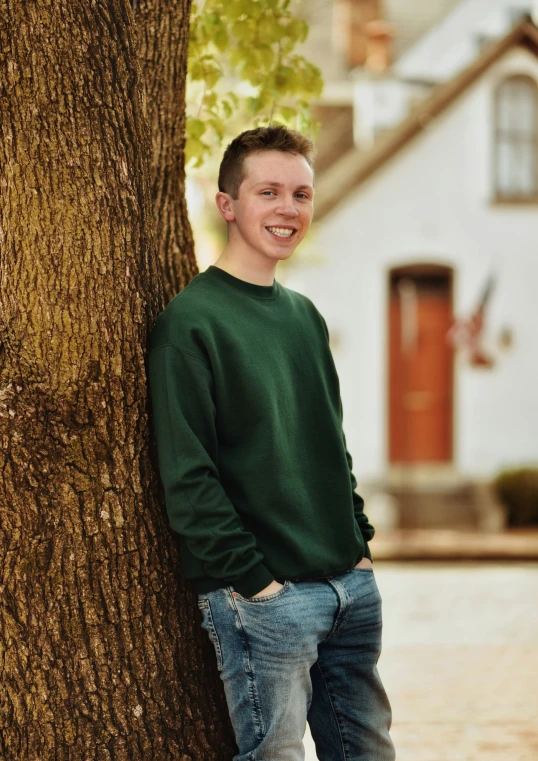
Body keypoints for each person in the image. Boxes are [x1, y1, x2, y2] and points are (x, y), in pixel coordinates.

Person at [148, 125, 395, 761]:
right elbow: (189, 474)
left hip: (348, 589)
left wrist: (359, 548)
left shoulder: (305, 316)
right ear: (228, 204)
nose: (288, 209)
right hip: (265, 600)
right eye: (268, 192)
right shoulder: (191, 322)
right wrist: (255, 586)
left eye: (301, 194)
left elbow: (330, 445)